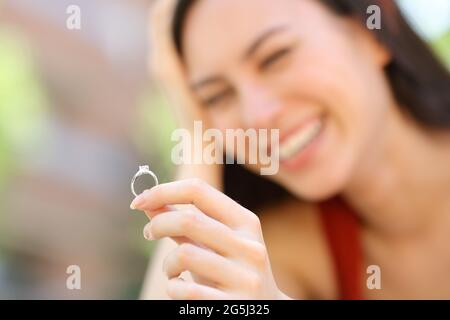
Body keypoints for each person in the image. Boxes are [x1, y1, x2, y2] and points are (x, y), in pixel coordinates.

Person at [136, 0, 450, 299]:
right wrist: (196, 137)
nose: (257, 116)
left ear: (373, 32)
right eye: (216, 96)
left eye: (275, 56)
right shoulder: (289, 248)